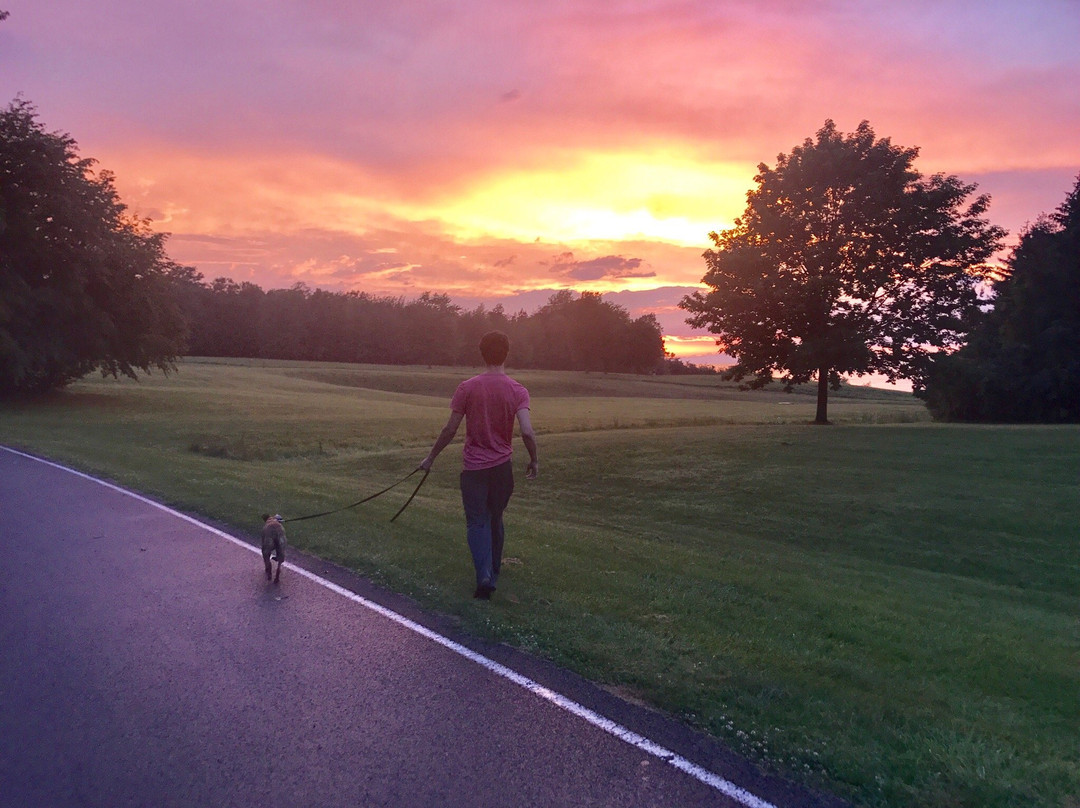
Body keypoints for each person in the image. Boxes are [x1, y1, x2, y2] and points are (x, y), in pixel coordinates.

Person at [420, 331, 538, 599]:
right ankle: (493, 571)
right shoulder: (518, 390)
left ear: (482, 354)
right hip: (502, 469)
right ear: (506, 354)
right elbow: (527, 432)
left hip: (474, 469)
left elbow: (450, 429)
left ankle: (484, 575)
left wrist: (430, 458)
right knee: (496, 517)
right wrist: (534, 459)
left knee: (477, 521)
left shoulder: (467, 388)